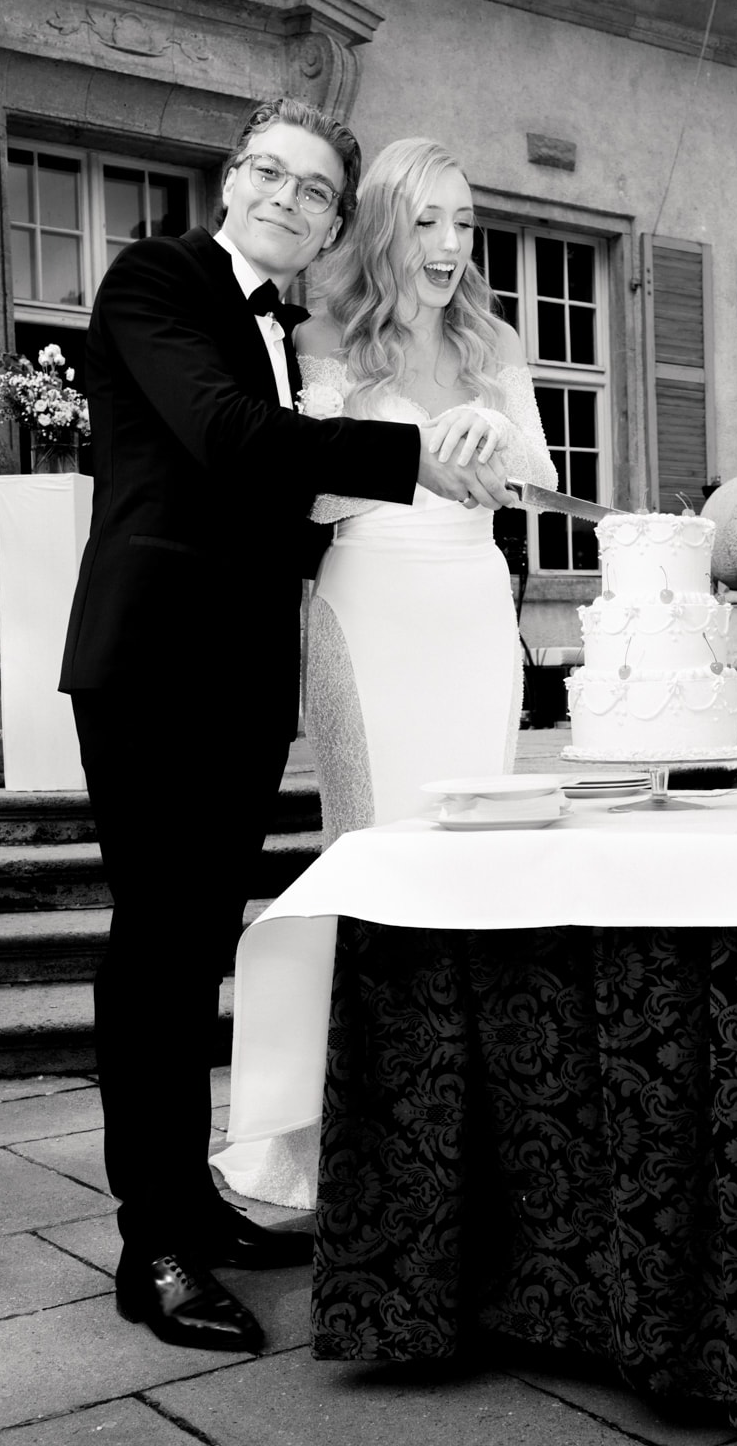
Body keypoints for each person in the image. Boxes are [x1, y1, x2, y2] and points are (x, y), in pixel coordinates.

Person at [58, 100, 515, 1357]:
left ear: (327, 222)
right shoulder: (159, 277)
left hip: (245, 673)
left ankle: (194, 1199)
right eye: (269, 171)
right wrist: (416, 457)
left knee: (200, 936)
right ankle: (150, 1242)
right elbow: (230, 440)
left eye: (314, 188)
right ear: (231, 180)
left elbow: (280, 505)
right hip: (153, 664)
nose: (287, 196)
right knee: (156, 948)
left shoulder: (281, 323)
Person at [209, 135, 558, 1207]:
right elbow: (298, 494)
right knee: (372, 863)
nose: (452, 244)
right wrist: (408, 455)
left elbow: (538, 485)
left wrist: (492, 428)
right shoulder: (319, 334)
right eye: (428, 221)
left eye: (466, 222)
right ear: (384, 226)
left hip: (469, 618)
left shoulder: (492, 337)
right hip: (365, 610)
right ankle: (350, 1137)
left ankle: (460, 1128)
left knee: (469, 870)